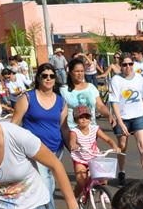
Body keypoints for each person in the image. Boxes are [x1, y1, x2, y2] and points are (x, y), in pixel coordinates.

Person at [12, 63, 67, 198]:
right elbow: (14, 123)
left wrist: (73, 146)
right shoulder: (27, 98)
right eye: (44, 76)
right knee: (45, 183)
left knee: (49, 179)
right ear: (38, 78)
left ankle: (43, 205)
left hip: (56, 148)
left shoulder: (61, 101)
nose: (48, 78)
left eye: (51, 76)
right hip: (35, 149)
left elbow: (64, 127)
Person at [111, 55, 143, 188]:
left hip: (138, 116)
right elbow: (114, 102)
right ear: (120, 66)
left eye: (130, 64)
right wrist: (120, 122)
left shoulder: (139, 78)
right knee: (122, 145)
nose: (128, 67)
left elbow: (142, 97)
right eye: (124, 64)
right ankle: (122, 172)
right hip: (123, 118)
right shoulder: (116, 80)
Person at [68, 105, 120, 197]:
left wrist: (115, 146)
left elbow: (108, 139)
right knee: (81, 181)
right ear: (76, 120)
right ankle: (74, 199)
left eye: (87, 117)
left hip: (94, 157)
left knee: (103, 177)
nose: (84, 119)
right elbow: (72, 141)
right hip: (80, 159)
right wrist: (73, 145)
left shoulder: (95, 129)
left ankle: (103, 193)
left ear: (90, 119)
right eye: (81, 117)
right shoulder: (74, 131)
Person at [60, 57, 112, 137]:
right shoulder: (63, 90)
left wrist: (109, 115)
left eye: (82, 71)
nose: (80, 74)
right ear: (70, 73)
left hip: (91, 130)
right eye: (77, 71)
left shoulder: (91, 87)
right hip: (72, 132)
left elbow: (100, 106)